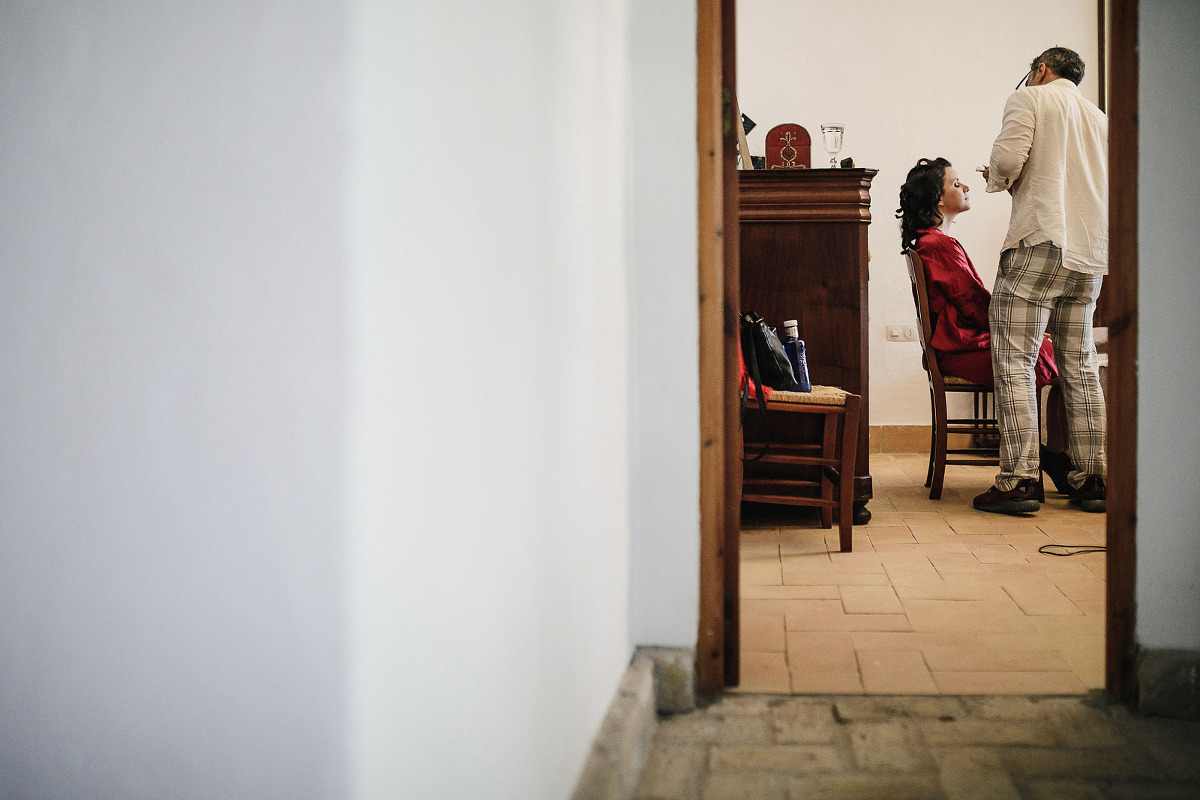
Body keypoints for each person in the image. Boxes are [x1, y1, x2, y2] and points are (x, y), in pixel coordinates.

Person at [975, 46, 1108, 515]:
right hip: (1090, 252)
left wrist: (996, 178)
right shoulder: (1100, 119)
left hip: (1039, 239)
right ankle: (1093, 479)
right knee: (1081, 364)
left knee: (1014, 361)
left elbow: (1010, 160)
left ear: (1041, 70)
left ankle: (1019, 480)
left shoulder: (1029, 100)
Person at [897, 158, 1071, 493]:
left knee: (1045, 350)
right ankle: (1049, 459)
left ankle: (1046, 457)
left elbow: (973, 301)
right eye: (955, 183)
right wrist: (1021, 329)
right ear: (937, 198)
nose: (965, 187)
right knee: (1044, 356)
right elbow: (973, 303)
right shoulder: (937, 244)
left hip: (958, 344)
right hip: (959, 349)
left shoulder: (931, 241)